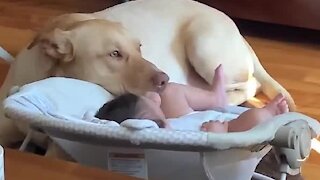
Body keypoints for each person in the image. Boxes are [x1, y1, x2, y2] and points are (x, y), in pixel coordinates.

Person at [95, 65, 289, 133]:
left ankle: (215, 98)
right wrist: (218, 135)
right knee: (255, 119)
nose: (154, 98)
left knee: (169, 91)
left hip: (185, 120)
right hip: (219, 131)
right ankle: (269, 114)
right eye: (150, 103)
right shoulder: (163, 139)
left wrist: (154, 106)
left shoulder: (164, 124)